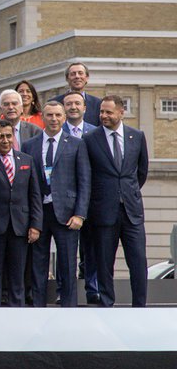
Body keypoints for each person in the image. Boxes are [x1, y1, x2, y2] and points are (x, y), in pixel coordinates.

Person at [23, 101, 91, 308]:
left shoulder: (77, 144)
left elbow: (84, 180)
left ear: (64, 118)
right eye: (49, 115)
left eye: (57, 115)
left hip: (67, 212)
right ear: (42, 117)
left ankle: (69, 309)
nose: (54, 119)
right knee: (38, 264)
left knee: (68, 264)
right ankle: (38, 308)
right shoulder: (30, 145)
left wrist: (80, 214)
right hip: (39, 212)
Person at [86, 94, 149, 307]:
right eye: (101, 111)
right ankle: (106, 305)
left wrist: (126, 193)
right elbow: (88, 175)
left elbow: (141, 172)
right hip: (103, 211)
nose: (103, 115)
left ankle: (140, 306)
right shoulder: (90, 139)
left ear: (121, 112)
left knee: (138, 260)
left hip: (131, 211)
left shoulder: (137, 136)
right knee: (104, 263)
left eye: (108, 112)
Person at [0, 120, 42, 307]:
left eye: (8, 136)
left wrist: (35, 224)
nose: (4, 140)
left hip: (20, 226)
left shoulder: (26, 159)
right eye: (0, 136)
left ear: (13, 137)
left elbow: (34, 194)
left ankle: (16, 312)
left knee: (17, 276)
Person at [61, 89, 101, 304]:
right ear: (64, 108)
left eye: (77, 103)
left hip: (91, 199)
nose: (73, 107)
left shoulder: (95, 132)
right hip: (64, 200)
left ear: (85, 108)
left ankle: (92, 287)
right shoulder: (57, 133)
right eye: (69, 104)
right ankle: (64, 290)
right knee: (65, 249)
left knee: (91, 247)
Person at [50, 62, 101, 127]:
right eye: (73, 74)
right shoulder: (54, 102)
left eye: (80, 73)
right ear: (67, 79)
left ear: (87, 77)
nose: (77, 76)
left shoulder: (97, 103)